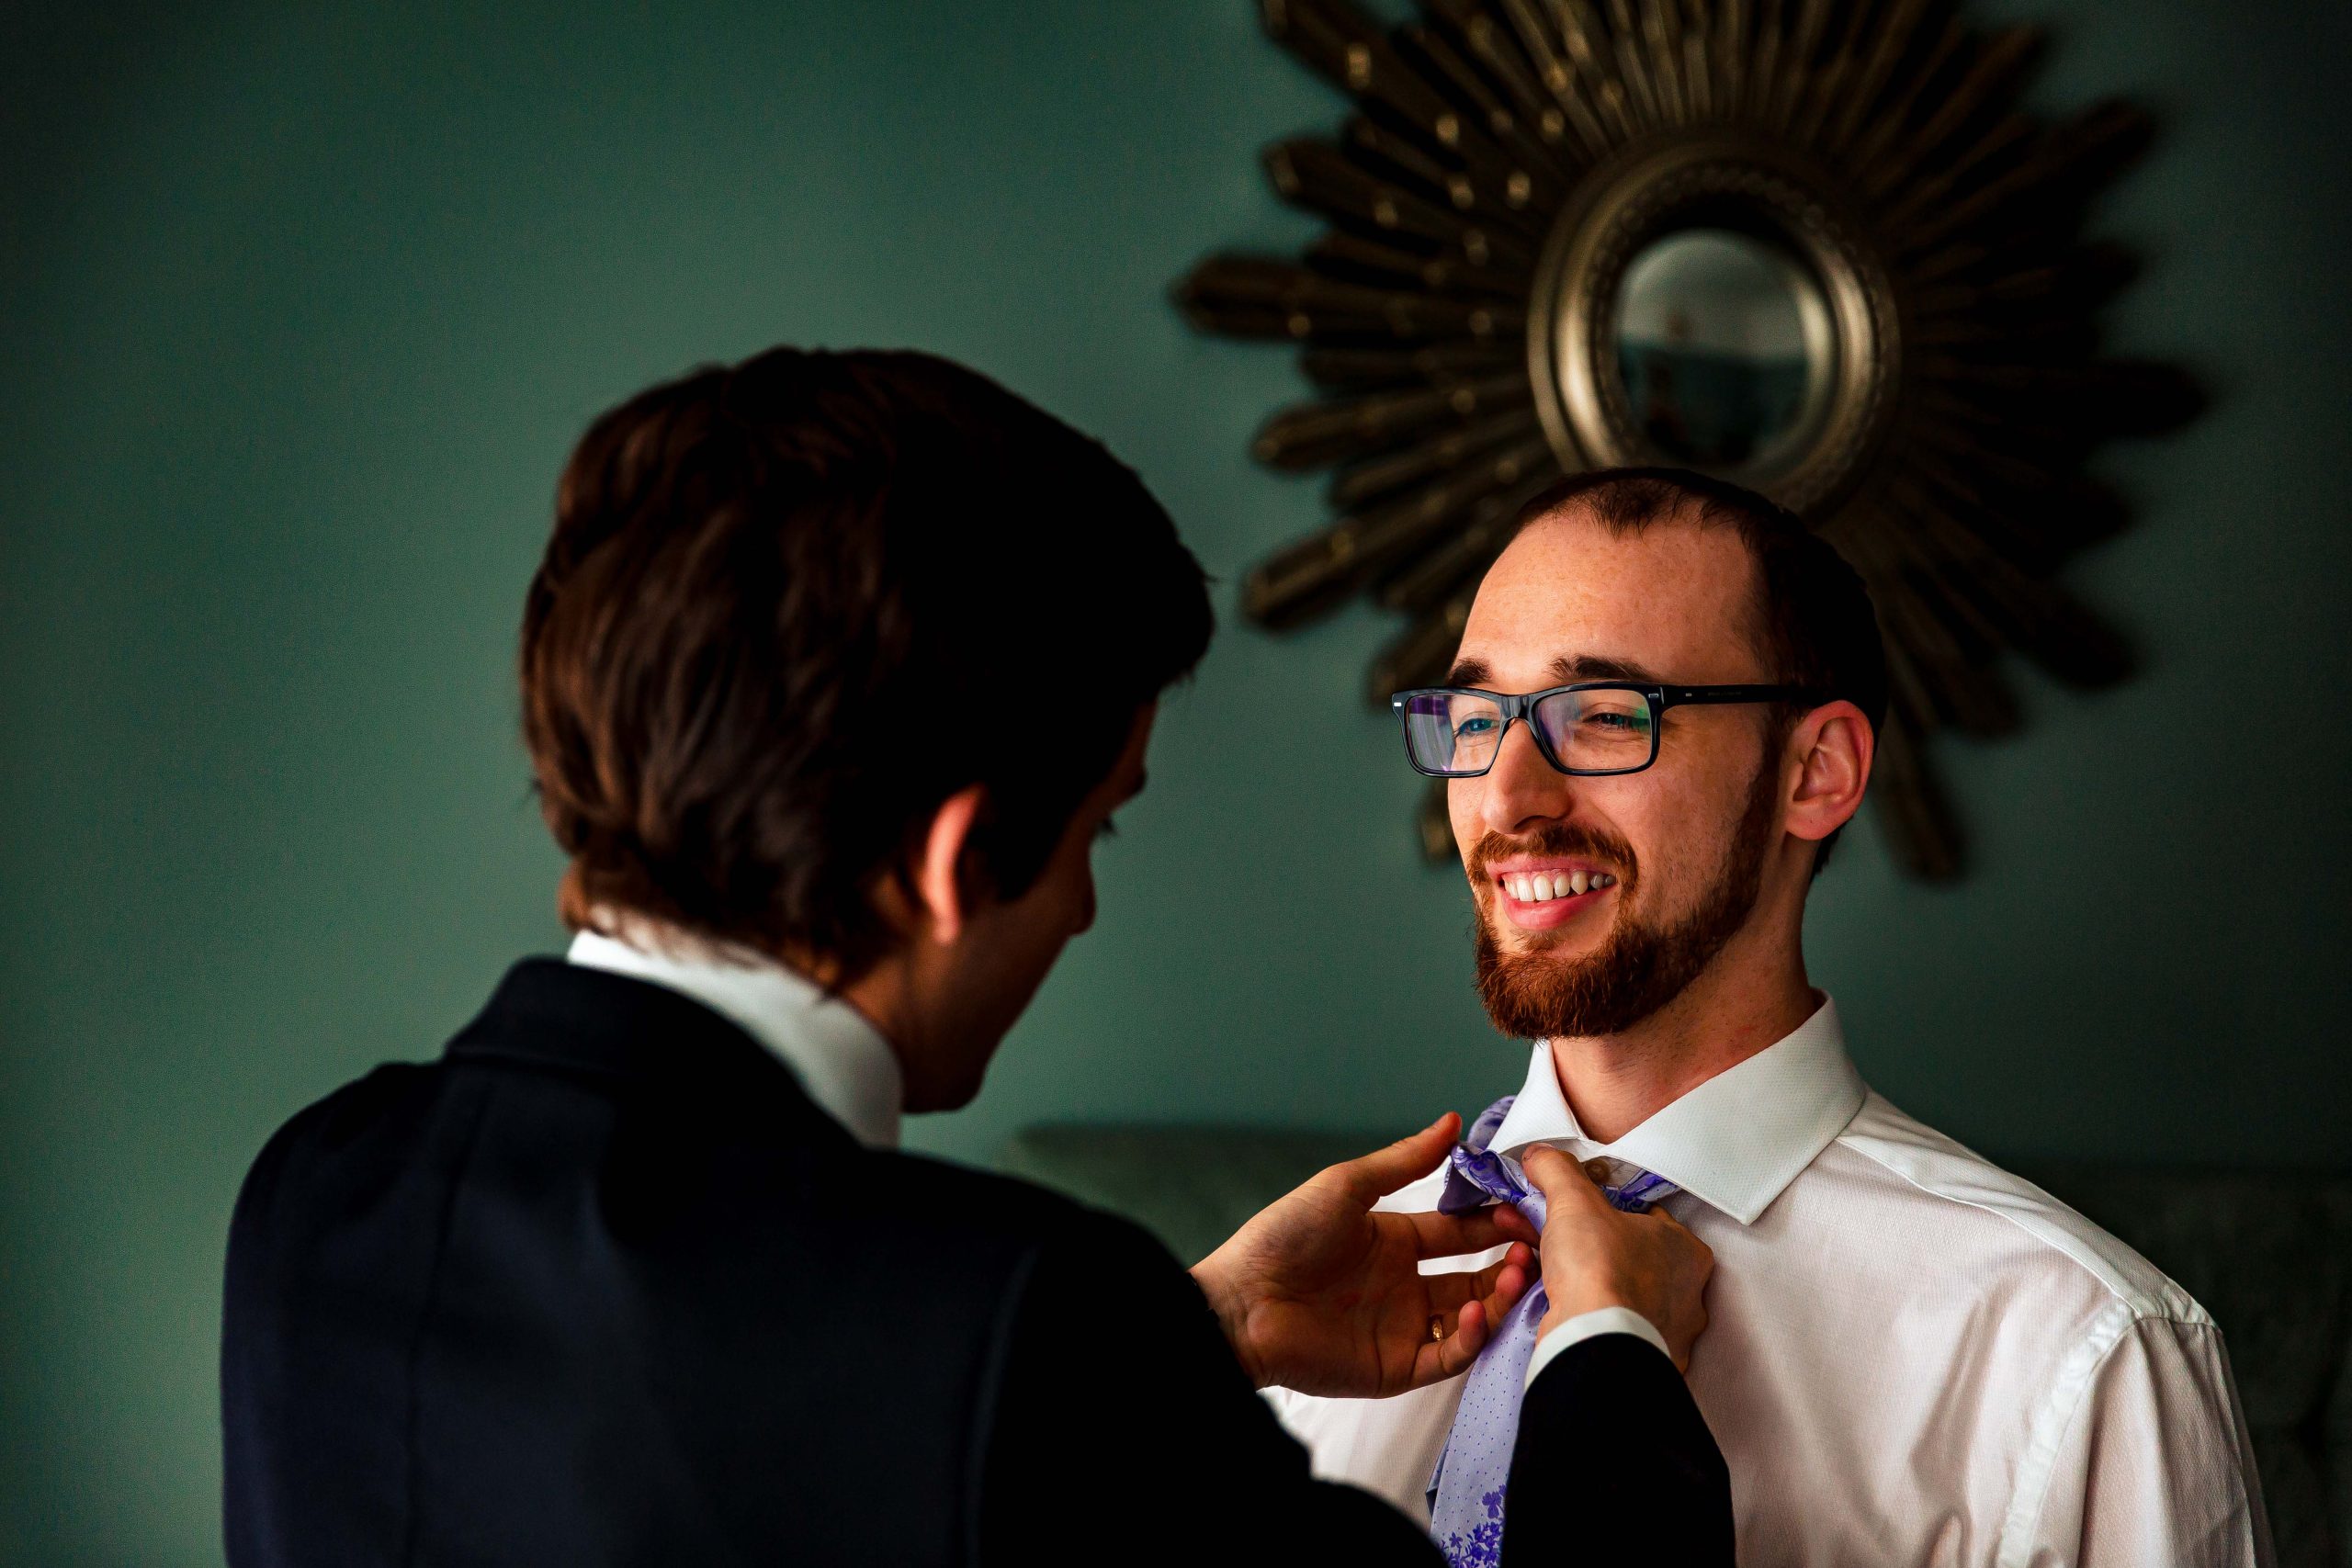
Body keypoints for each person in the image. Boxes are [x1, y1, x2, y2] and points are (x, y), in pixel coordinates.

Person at [219, 350, 1734, 1565]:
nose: (1079, 907)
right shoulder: (1029, 1317)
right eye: (1099, 831)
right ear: (954, 863)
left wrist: (1187, 1340)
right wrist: (1612, 1351)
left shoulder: (322, 1189)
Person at [1271, 468, 2275, 1565]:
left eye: (1604, 716)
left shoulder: (2075, 1353)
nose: (1506, 798)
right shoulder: (1304, 1313)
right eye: (1473, 717)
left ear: (1816, 771)